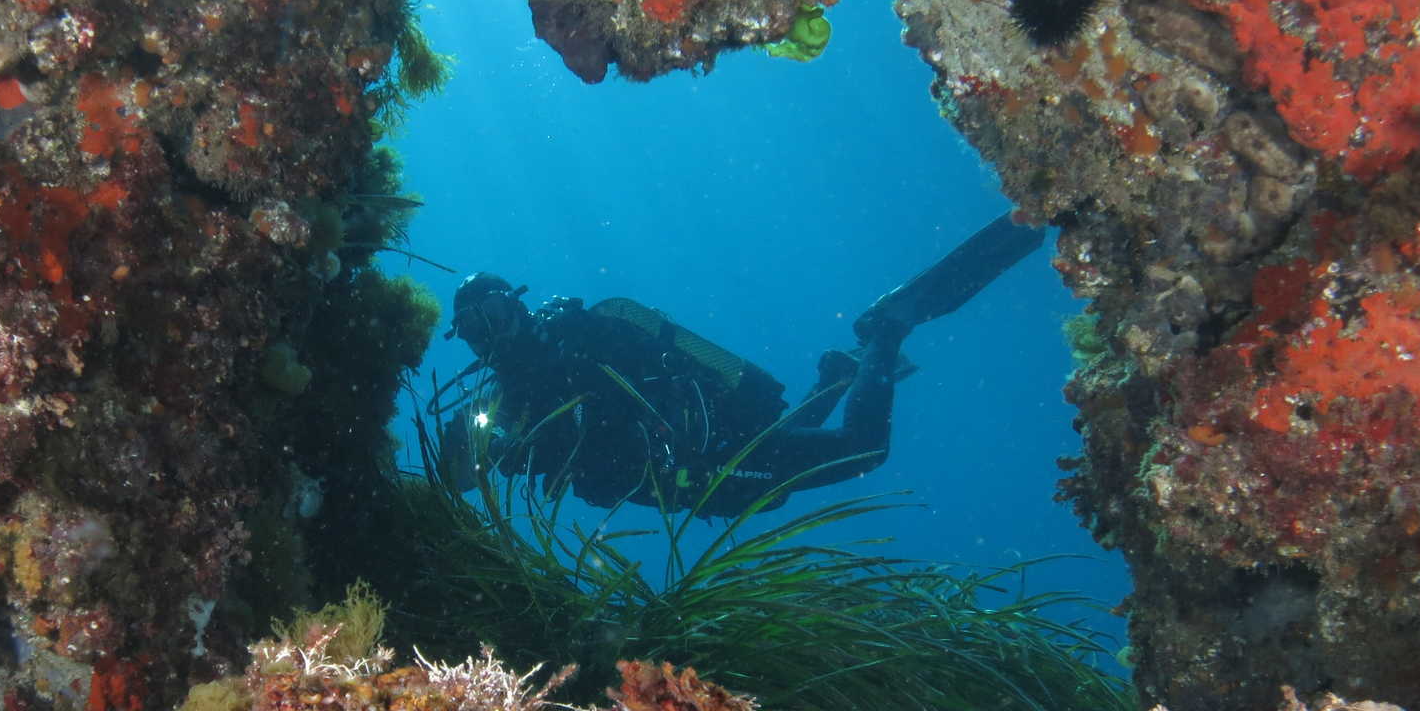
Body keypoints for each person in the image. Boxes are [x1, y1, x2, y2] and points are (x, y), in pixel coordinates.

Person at [438, 213, 1045, 518]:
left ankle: (888, 327)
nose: (488, 336)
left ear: (518, 306)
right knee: (774, 485)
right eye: (471, 329)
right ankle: (838, 375)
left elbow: (616, 421)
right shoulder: (502, 403)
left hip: (715, 451)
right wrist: (485, 452)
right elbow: (463, 479)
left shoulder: (580, 339)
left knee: (863, 450)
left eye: (494, 314)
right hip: (706, 483)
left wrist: (525, 451)